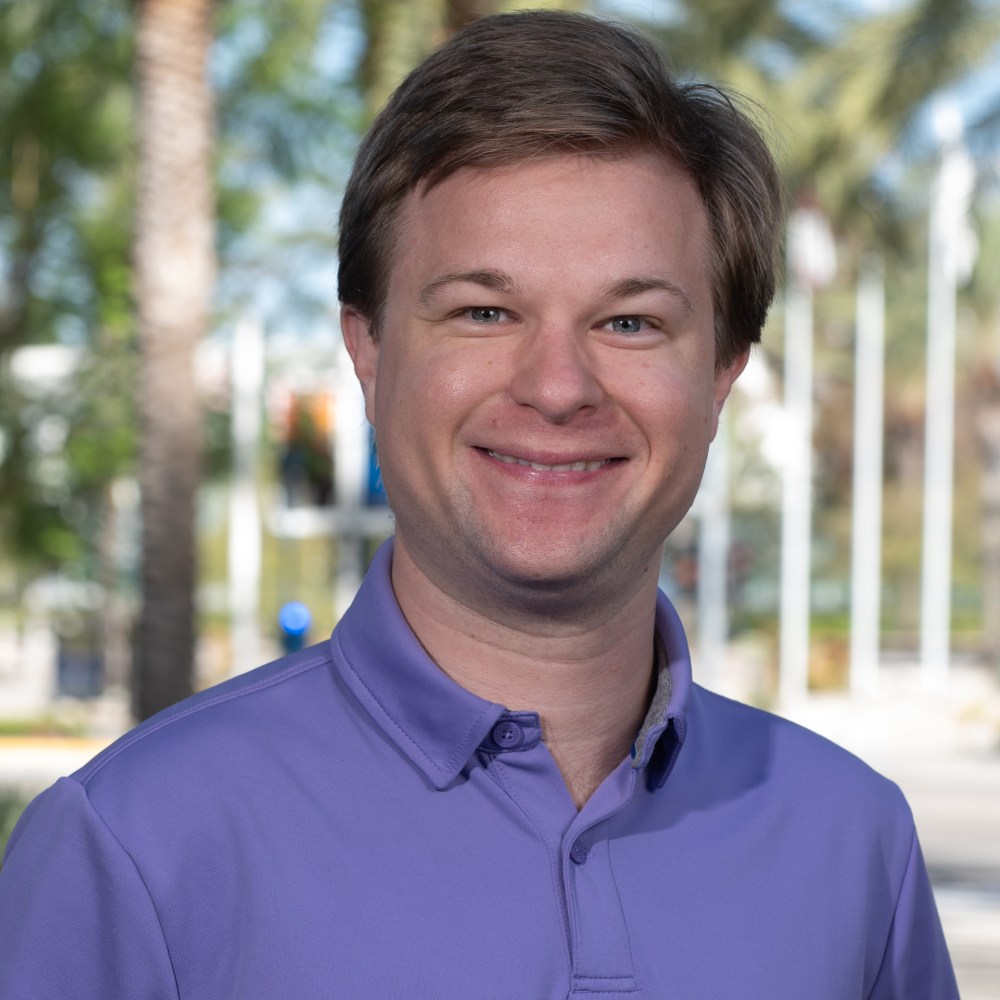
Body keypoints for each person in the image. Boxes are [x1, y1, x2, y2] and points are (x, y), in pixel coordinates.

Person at [0, 11, 957, 999]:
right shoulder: (135, 850)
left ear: (720, 375)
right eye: (483, 312)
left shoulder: (853, 842)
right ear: (368, 353)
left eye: (630, 320)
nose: (556, 385)